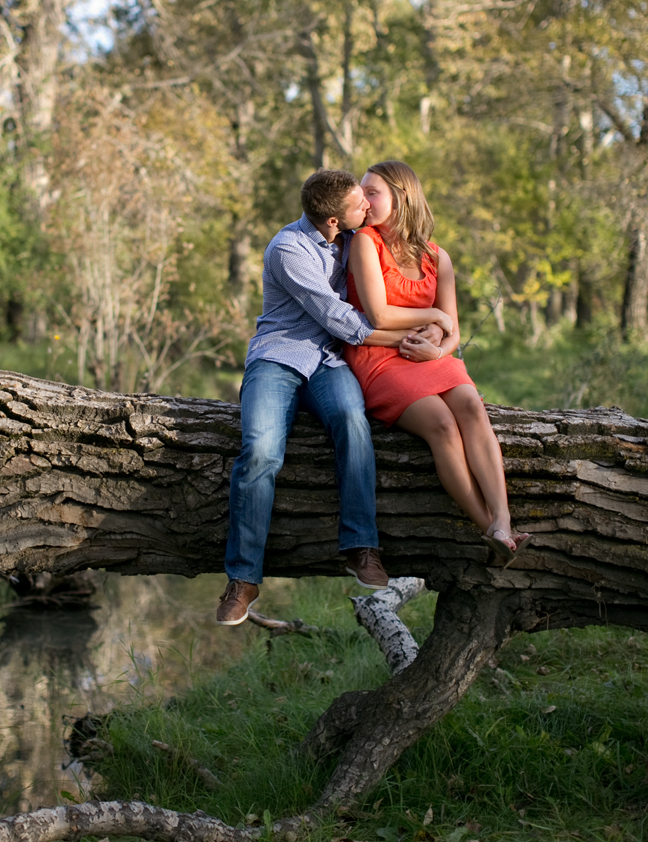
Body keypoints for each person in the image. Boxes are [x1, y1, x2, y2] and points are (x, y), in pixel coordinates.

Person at [217, 167, 451, 626]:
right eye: (358, 202)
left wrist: (439, 333)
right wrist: (419, 333)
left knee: (352, 420)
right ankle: (243, 578)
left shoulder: (356, 239)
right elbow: (341, 318)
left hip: (329, 362)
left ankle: (361, 546)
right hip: (280, 357)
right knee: (261, 450)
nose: (367, 204)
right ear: (331, 221)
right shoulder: (287, 249)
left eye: (367, 197)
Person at [344, 159, 529, 557]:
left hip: (427, 357)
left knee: (471, 408)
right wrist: (433, 317)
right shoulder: (364, 242)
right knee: (442, 425)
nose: (364, 200)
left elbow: (454, 333)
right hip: (377, 356)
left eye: (372, 192)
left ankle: (503, 518)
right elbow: (379, 315)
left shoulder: (436, 257)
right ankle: (492, 533)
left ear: (402, 196)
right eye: (362, 192)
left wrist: (437, 348)